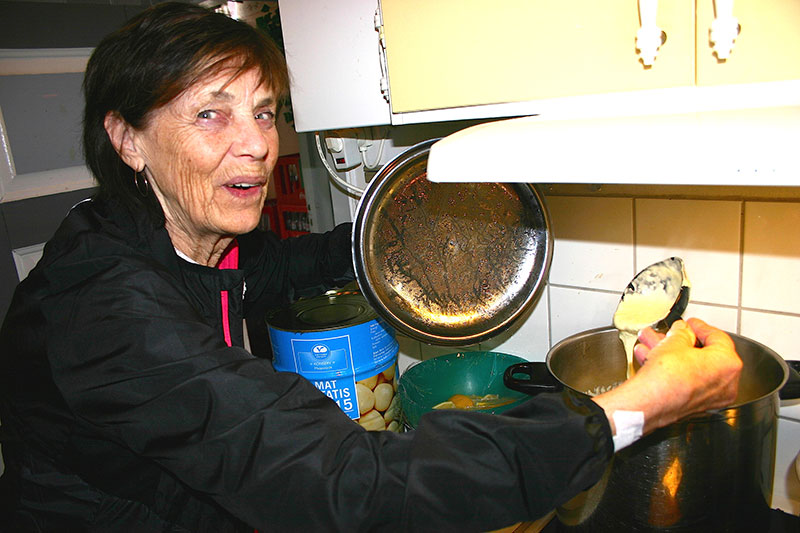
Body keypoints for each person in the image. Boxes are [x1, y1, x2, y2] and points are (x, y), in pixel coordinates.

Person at [0, 3, 742, 532]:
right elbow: (350, 483)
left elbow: (288, 269)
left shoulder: (202, 243)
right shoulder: (101, 308)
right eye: (211, 114)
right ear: (128, 140)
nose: (258, 144)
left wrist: (417, 224)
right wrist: (644, 403)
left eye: (264, 111)